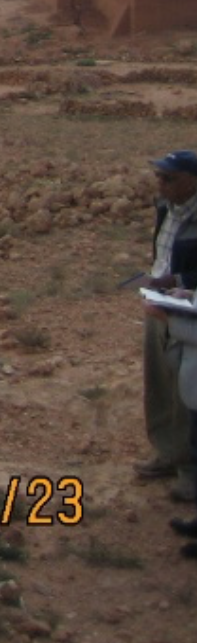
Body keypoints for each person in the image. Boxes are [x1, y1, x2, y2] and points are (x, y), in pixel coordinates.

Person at [139, 150, 197, 504]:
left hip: (187, 311)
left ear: (192, 181)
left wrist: (176, 282)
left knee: (187, 389)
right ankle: (168, 451)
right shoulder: (166, 209)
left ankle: (190, 468)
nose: (160, 184)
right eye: (159, 176)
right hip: (156, 305)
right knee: (159, 381)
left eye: (169, 178)